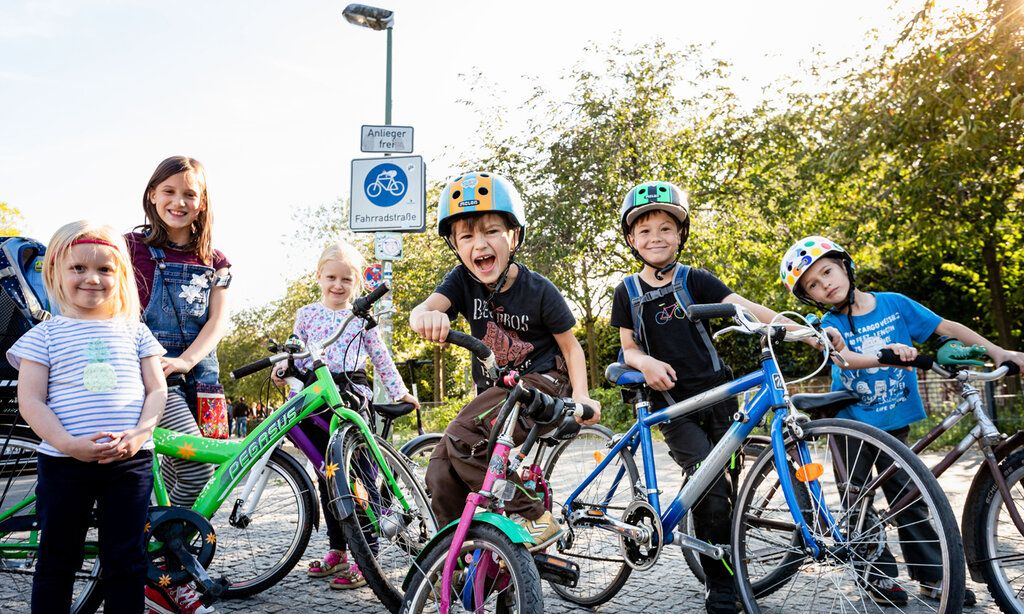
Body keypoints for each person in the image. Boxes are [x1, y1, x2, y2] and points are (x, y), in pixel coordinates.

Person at [609, 182, 845, 614]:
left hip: (718, 397)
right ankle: (720, 588)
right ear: (631, 240)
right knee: (710, 482)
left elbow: (749, 309)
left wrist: (807, 333)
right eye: (644, 232)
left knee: (722, 488)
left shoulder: (694, 279)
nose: (655, 237)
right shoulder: (626, 291)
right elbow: (628, 347)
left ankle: (718, 549)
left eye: (665, 228)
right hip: (671, 404)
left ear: (681, 235)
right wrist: (645, 364)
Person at [781, 235, 1024, 606]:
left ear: (845, 265)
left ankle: (933, 578)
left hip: (895, 421)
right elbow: (844, 359)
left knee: (911, 495)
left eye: (827, 271)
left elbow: (947, 328)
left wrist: (997, 350)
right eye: (813, 284)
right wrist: (887, 355)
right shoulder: (825, 324)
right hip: (850, 423)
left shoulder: (894, 304)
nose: (825, 284)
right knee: (857, 501)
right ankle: (875, 575)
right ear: (810, 297)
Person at [410, 171, 601, 551]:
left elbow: (571, 346)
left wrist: (583, 396)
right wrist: (425, 317)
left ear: (513, 237)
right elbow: (425, 309)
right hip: (499, 393)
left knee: (463, 435)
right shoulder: (462, 282)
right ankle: (460, 554)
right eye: (466, 236)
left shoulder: (539, 289)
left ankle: (536, 519)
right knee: (440, 469)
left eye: (491, 231)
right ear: (456, 246)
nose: (479, 243)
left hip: (542, 386)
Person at [10, 221, 167, 614]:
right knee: (57, 558)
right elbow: (30, 400)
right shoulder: (42, 336)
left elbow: (156, 390)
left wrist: (138, 435)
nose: (92, 278)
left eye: (105, 269)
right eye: (78, 268)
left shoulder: (135, 332)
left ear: (121, 276)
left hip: (129, 462)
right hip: (64, 463)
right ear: (56, 273)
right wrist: (65, 443)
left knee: (126, 559)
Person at [272, 240, 418, 590]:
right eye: (331, 277)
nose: (338, 286)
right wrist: (283, 366)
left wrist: (399, 391)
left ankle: (367, 556)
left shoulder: (362, 319)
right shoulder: (306, 314)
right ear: (319, 277)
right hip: (314, 395)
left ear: (358, 283)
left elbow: (380, 357)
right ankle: (338, 550)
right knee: (328, 476)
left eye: (346, 280)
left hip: (351, 396)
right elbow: (296, 350)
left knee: (360, 478)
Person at [125, 155, 230, 614]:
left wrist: (187, 360)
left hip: (201, 377)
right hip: (148, 374)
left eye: (189, 193)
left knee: (204, 483)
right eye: (169, 191)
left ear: (203, 201)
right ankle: (164, 568)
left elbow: (218, 321)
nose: (178, 201)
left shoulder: (216, 260)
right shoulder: (129, 247)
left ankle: (167, 569)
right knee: (194, 468)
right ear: (152, 194)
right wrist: (156, 363)